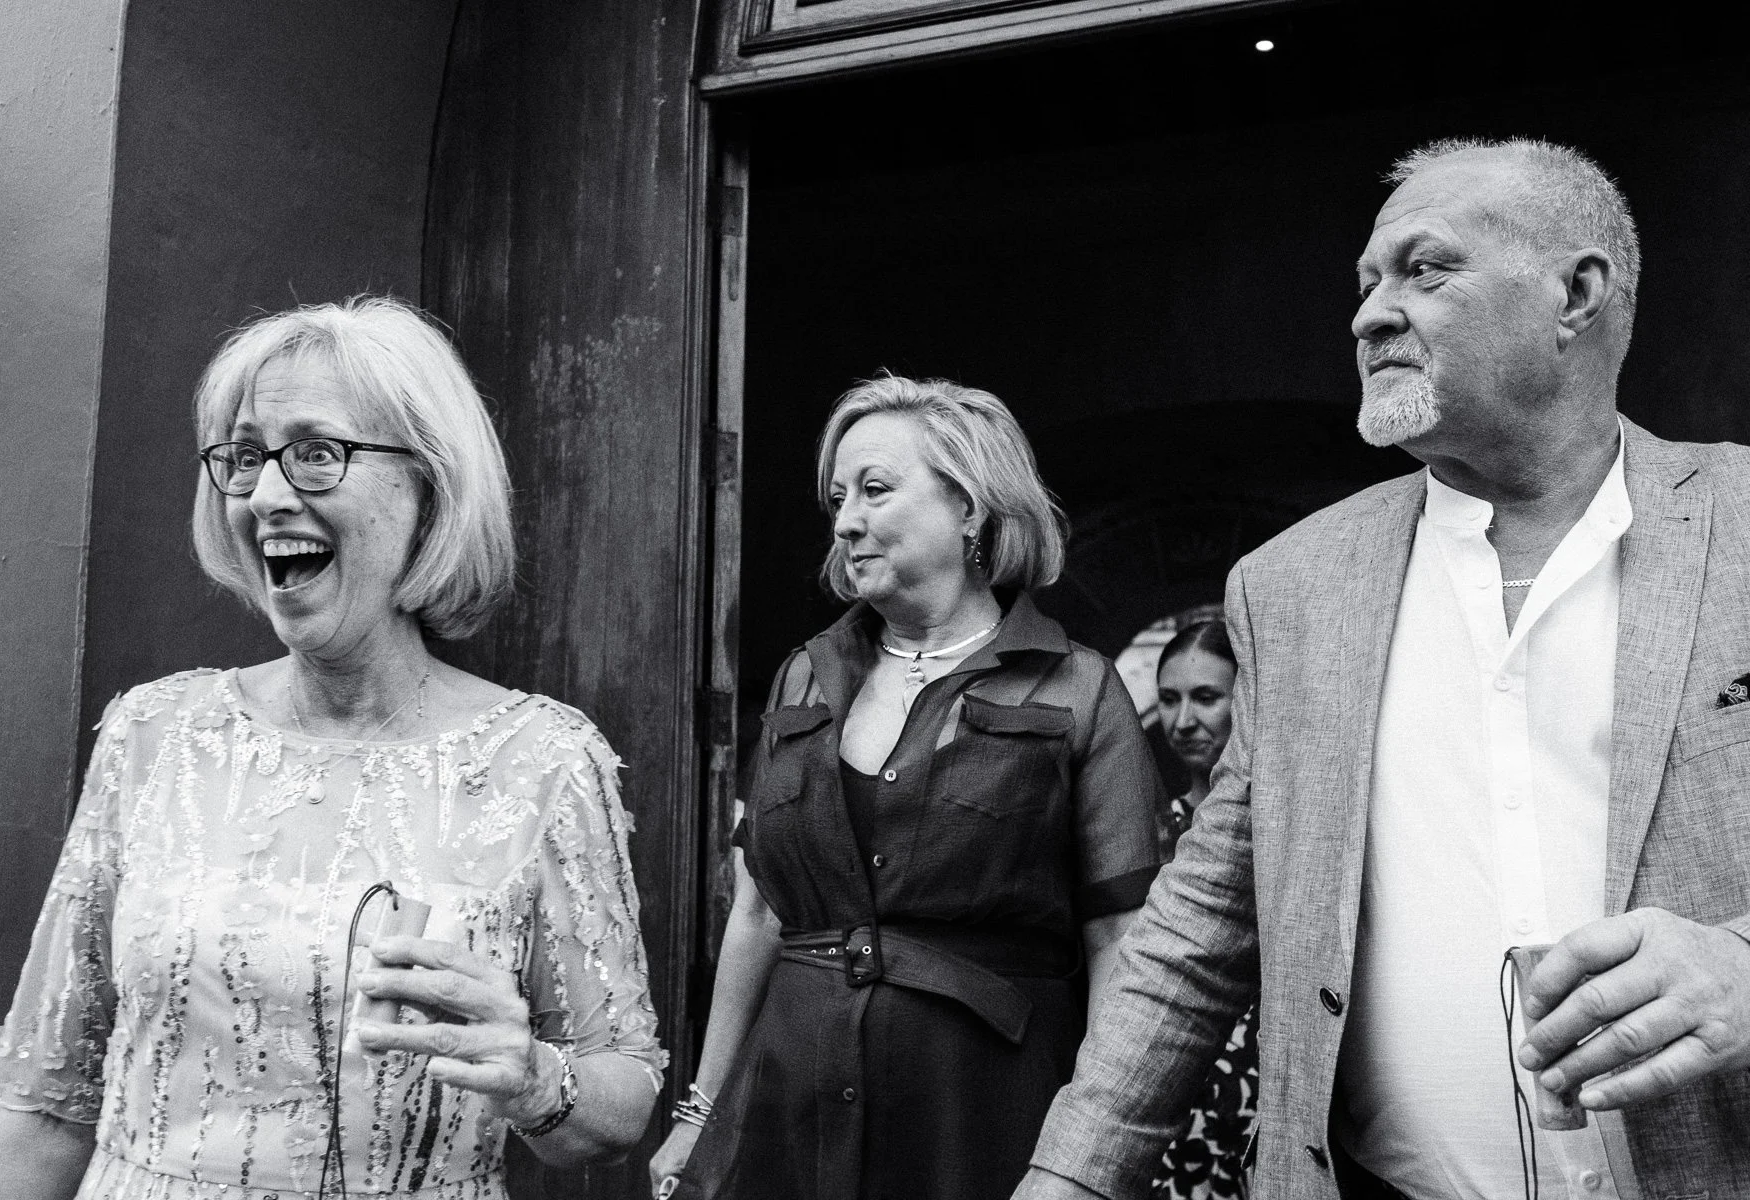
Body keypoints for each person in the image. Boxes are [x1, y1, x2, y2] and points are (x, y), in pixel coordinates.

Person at [1015, 138, 1750, 1200]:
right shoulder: (1293, 587)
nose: (1369, 316)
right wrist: (1068, 1180)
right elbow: (1198, 931)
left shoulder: (1740, 524)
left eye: (1424, 269)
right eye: (1366, 284)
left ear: (1577, 294)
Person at [0, 297, 664, 1199]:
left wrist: (532, 1076)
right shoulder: (155, 735)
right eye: (245, 457)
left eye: (317, 453)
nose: (265, 496)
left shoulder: (542, 760)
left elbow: (621, 1099)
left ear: (429, 487)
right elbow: (48, 1103)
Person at [649, 375, 1162, 1200]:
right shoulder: (804, 678)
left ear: (969, 506)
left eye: (875, 489)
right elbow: (756, 915)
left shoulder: (1078, 689)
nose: (845, 520)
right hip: (790, 1107)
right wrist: (700, 1113)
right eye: (838, 498)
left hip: (985, 1115)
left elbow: (1119, 940)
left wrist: (1090, 1152)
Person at [1147, 620, 1255, 1200]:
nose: (1183, 720)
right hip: (1177, 1073)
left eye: (1206, 697)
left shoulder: (1281, 831)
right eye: (1169, 699)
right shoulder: (1149, 832)